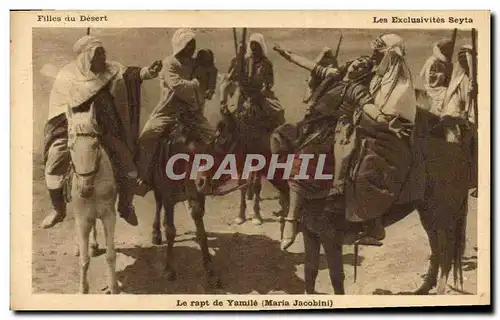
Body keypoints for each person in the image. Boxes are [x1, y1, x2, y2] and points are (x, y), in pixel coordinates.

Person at [41, 35, 162, 229]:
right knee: (55, 160)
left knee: (128, 166)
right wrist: (75, 123)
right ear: (86, 56)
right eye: (98, 53)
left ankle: (125, 205)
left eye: (103, 51)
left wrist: (148, 72)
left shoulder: (110, 69)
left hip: (104, 127)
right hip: (72, 128)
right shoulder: (67, 74)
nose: (103, 57)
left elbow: (130, 75)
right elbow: (60, 107)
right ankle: (58, 209)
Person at [135, 29, 216, 196]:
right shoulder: (169, 63)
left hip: (191, 113)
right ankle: (143, 178)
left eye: (193, 44)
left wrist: (208, 86)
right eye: (188, 44)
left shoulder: (195, 63)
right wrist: (197, 83)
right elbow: (178, 86)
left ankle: (210, 177)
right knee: (147, 137)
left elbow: (209, 74)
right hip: (168, 112)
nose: (191, 48)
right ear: (180, 45)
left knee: (212, 137)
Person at [441, 44, 478, 194]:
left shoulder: (481, 78)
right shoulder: (458, 79)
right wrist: (459, 115)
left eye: (467, 58)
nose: (464, 61)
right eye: (461, 58)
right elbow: (452, 101)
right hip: (460, 121)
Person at [232, 33, 285, 136]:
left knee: (278, 111)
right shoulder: (246, 61)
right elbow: (237, 78)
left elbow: (269, 83)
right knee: (232, 114)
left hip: (261, 94)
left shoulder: (266, 63)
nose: (254, 50)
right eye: (252, 47)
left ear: (261, 47)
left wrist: (259, 94)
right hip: (245, 94)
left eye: (256, 47)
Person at [420, 38, 454, 116]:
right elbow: (429, 77)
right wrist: (441, 76)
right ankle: (438, 112)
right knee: (445, 93)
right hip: (433, 87)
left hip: (442, 85)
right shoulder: (432, 61)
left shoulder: (447, 63)